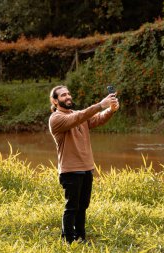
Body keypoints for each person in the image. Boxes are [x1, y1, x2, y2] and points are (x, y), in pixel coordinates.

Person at [48, 85, 119, 244]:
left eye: (68, 94)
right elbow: (78, 117)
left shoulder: (77, 114)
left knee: (83, 206)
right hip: (70, 170)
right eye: (63, 95)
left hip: (87, 168)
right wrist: (100, 105)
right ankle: (68, 241)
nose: (67, 97)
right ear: (55, 100)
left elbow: (97, 119)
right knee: (72, 207)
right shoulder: (56, 118)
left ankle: (80, 237)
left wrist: (111, 110)